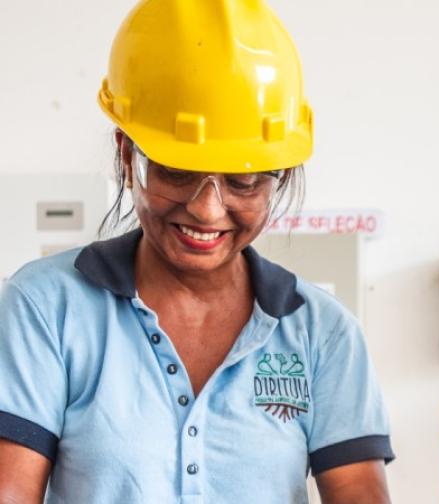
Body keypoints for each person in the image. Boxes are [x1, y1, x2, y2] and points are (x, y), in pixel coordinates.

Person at [0, 1, 393, 502]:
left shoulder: (323, 333)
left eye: (243, 180)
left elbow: (358, 492)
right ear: (127, 156)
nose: (208, 210)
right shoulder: (47, 306)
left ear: (280, 176)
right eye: (178, 172)